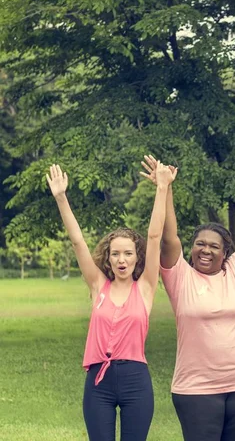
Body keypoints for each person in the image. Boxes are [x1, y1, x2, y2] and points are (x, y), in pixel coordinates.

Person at [140, 155, 235, 441]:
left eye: (214, 246)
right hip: (196, 390)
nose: (206, 250)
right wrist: (165, 188)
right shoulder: (180, 276)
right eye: (200, 244)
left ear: (226, 253)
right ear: (192, 248)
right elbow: (168, 237)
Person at [47, 160, 175, 441]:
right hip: (98, 382)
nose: (121, 260)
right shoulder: (97, 286)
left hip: (135, 380)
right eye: (115, 253)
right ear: (108, 257)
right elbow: (78, 241)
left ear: (137, 257)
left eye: (128, 253)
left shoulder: (145, 288)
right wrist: (61, 198)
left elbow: (154, 237)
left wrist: (162, 188)